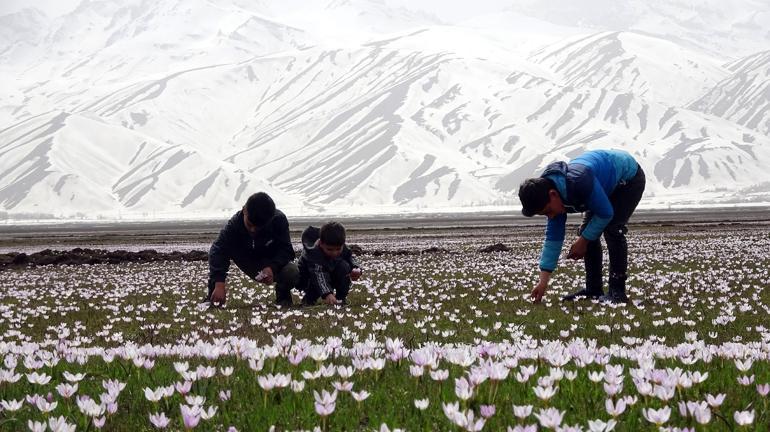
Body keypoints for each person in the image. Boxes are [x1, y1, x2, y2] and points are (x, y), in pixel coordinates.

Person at [518, 149, 645, 303]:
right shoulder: (549, 194)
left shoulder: (579, 183)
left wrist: (582, 241)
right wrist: (543, 282)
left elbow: (605, 213)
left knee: (613, 229)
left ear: (553, 194)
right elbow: (553, 240)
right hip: (601, 183)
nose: (550, 216)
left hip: (628, 178)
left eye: (548, 211)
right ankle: (593, 290)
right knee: (588, 232)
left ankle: (617, 292)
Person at [207, 192, 299, 307]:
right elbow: (218, 251)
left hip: (270, 261)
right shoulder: (234, 226)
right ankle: (213, 297)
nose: (253, 230)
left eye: (259, 226)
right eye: (250, 224)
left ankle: (283, 297)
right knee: (219, 255)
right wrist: (219, 283)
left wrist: (272, 267)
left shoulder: (278, 220)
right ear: (244, 210)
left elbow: (287, 250)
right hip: (245, 259)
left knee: (292, 272)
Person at [297, 222, 362, 306]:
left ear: (343, 244)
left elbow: (350, 258)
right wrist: (327, 293)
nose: (334, 253)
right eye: (330, 249)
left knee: (344, 266)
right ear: (321, 243)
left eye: (338, 249)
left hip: (328, 273)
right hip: (308, 279)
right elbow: (318, 275)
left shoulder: (343, 248)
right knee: (315, 282)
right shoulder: (313, 253)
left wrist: (356, 268)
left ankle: (340, 299)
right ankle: (309, 299)